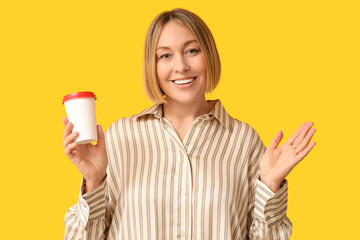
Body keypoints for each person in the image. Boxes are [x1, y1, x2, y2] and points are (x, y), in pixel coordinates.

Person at [62, 8, 316, 240]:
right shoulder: (120, 137)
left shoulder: (243, 140)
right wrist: (93, 180)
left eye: (192, 51)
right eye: (165, 55)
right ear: (153, 65)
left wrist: (270, 184)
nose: (181, 66)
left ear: (209, 55)